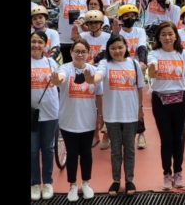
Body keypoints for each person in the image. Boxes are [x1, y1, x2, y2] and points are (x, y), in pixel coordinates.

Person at [89, 34, 146, 196]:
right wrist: (93, 78)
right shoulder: (105, 63)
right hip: (112, 114)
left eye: (120, 47)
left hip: (130, 114)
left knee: (129, 149)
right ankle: (115, 180)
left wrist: (140, 109)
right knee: (115, 150)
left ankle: (129, 180)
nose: (117, 50)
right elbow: (99, 75)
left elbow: (140, 87)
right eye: (113, 48)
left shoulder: (133, 64)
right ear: (108, 49)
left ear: (126, 47)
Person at [146, 22, 185, 190]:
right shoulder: (154, 54)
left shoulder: (183, 54)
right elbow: (151, 70)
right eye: (163, 35)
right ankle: (166, 173)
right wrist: (152, 68)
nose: (167, 37)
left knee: (178, 139)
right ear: (158, 38)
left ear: (175, 36)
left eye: (170, 34)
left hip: (180, 100)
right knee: (166, 139)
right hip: (160, 101)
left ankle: (178, 171)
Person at [50, 38, 100, 202]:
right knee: (72, 154)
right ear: (71, 53)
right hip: (68, 120)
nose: (80, 54)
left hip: (88, 120)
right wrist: (57, 80)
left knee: (86, 153)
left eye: (83, 51)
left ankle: (85, 183)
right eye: (76, 51)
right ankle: (72, 185)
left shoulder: (93, 70)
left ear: (88, 53)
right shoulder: (64, 68)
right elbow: (60, 78)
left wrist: (100, 118)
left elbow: (99, 96)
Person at [31, 31, 60, 201]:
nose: (36, 45)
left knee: (48, 149)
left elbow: (59, 83)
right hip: (32, 114)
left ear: (45, 45)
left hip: (50, 112)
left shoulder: (51, 63)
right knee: (33, 150)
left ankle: (48, 182)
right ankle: (34, 183)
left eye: (39, 42)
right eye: (33, 41)